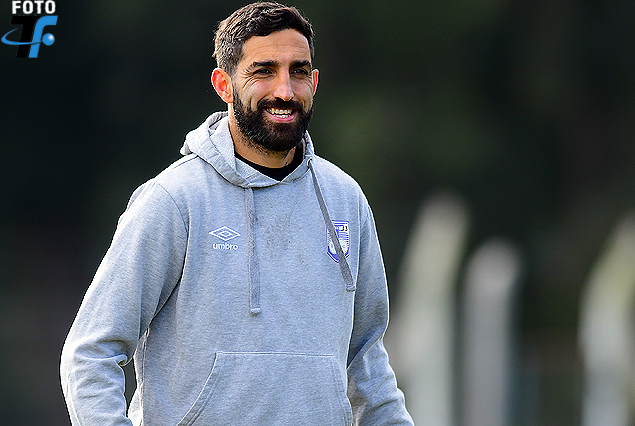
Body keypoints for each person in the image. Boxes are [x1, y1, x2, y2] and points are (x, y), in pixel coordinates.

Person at [60, 2, 414, 425]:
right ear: (224, 85)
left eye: (298, 72)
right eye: (263, 71)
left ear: (314, 82)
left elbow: (368, 362)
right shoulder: (173, 200)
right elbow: (91, 353)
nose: (285, 91)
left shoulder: (345, 199)